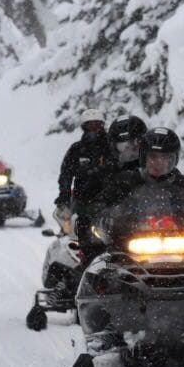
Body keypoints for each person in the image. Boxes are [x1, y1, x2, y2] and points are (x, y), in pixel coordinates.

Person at [93, 126, 184, 243]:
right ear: (144, 158)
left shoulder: (181, 184)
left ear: (173, 159)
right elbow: (99, 207)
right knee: (101, 266)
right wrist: (113, 219)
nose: (159, 162)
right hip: (130, 249)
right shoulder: (127, 181)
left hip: (179, 246)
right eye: (153, 157)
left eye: (165, 157)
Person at [54, 108, 116, 261]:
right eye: (90, 126)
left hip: (111, 200)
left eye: (96, 126)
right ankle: (84, 262)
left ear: (102, 126)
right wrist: (64, 195)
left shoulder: (112, 148)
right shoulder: (76, 149)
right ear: (84, 128)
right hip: (84, 201)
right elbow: (66, 175)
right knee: (82, 231)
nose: (93, 130)